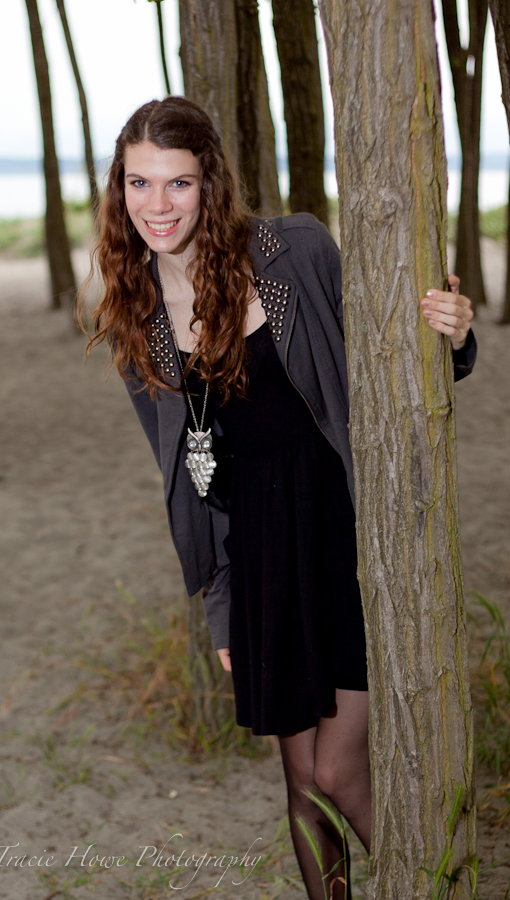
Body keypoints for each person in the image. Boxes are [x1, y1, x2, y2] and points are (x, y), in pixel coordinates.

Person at [81, 96, 476, 899]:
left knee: (338, 770)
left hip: (344, 527)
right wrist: (221, 602)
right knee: (299, 781)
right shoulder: (139, 316)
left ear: (210, 184)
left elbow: (391, 356)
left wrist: (455, 335)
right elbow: (187, 479)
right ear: (117, 190)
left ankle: (438, 888)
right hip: (257, 551)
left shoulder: (292, 250)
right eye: (139, 184)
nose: (157, 206)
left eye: (178, 184)